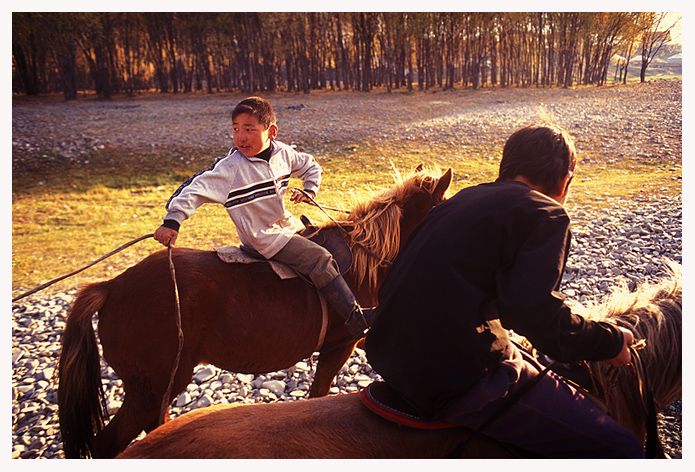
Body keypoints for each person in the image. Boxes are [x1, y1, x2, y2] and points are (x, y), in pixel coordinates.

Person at [364, 123, 645, 458]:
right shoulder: (546, 213)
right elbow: (532, 315)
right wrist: (609, 342)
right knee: (622, 447)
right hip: (452, 379)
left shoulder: (458, 200)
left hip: (389, 358)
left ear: (507, 166)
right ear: (563, 179)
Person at [153, 96, 371, 339]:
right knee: (320, 258)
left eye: (249, 129)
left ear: (272, 131)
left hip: (288, 226)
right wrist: (172, 221)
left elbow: (311, 166)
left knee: (333, 239)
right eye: (236, 129)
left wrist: (309, 189)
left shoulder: (283, 153)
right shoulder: (230, 169)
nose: (241, 137)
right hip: (264, 238)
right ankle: (354, 318)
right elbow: (193, 188)